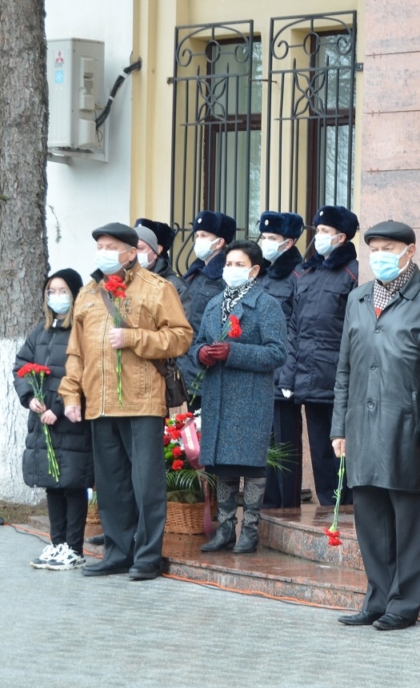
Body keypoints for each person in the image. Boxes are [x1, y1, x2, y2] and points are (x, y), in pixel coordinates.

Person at [331, 221, 420, 631]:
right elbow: (344, 369)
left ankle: (403, 604)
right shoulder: (358, 298)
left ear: (410, 250)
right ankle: (377, 597)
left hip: (409, 426)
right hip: (362, 426)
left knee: (408, 521)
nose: (379, 256)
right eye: (374, 249)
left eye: (389, 247)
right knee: (369, 518)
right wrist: (339, 427)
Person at [60, 222, 193, 581]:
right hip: (99, 402)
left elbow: (181, 337)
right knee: (111, 484)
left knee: (145, 483)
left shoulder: (156, 288)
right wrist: (71, 394)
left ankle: (148, 557)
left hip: (142, 400)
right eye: (99, 245)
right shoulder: (89, 293)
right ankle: (118, 552)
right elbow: (76, 352)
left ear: (131, 252)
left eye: (110, 245)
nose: (103, 251)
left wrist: (135, 337)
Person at [189, 240, 288, 554]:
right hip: (218, 394)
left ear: (254, 270)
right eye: (228, 263)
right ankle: (225, 529)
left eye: (238, 264)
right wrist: (200, 353)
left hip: (250, 397)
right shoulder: (215, 303)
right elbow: (198, 343)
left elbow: (277, 353)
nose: (231, 269)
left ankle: (250, 530)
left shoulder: (266, 305)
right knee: (223, 464)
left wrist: (234, 351)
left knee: (251, 464)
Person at [13, 269, 93, 571]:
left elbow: (82, 374)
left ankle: (74, 547)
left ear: (74, 294)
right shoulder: (41, 330)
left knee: (72, 483)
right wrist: (29, 397)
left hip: (69, 418)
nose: (56, 297)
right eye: (51, 291)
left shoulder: (81, 329)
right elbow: (21, 364)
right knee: (52, 485)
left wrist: (57, 408)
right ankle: (57, 542)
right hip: (40, 418)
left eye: (62, 291)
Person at [280, 204, 359, 506]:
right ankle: (328, 506)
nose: (319, 237)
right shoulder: (305, 272)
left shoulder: (353, 272)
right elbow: (293, 327)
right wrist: (290, 374)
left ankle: (348, 506)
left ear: (341, 237)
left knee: (343, 448)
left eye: (325, 232)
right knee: (319, 449)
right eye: (318, 231)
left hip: (338, 377)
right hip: (308, 378)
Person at [256, 211, 306, 509]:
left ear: (287, 243)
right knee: (265, 442)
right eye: (262, 237)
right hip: (261, 371)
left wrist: (288, 377)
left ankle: (286, 505)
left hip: (283, 373)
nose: (264, 243)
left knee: (284, 441)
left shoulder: (298, 276)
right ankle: (268, 500)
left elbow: (296, 331)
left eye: (271, 238)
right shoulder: (262, 274)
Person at [177, 210, 236, 402]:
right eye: (197, 236)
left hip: (210, 366)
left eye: (204, 236)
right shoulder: (195, 274)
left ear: (219, 242)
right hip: (190, 364)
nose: (198, 240)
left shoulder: (227, 276)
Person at [134, 218, 190, 314]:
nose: (135, 253)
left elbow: (180, 326)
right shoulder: (124, 279)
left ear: (157, 250)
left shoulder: (173, 285)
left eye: (140, 248)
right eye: (132, 248)